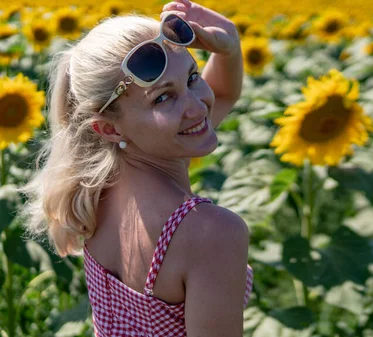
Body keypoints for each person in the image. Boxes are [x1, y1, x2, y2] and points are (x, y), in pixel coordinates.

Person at [18, 0, 253, 335]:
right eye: (162, 98)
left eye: (192, 77)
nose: (197, 106)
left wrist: (228, 43)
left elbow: (223, 93)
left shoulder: (96, 189)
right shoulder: (209, 233)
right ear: (110, 128)